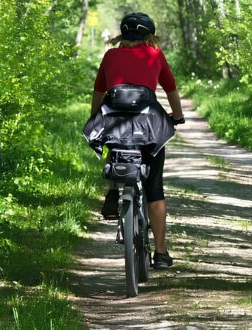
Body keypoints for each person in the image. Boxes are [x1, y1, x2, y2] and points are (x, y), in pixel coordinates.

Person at [90, 12, 185, 269]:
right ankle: (161, 253)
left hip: (115, 122)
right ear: (149, 36)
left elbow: (99, 92)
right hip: (148, 125)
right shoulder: (155, 54)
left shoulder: (110, 55)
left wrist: (94, 117)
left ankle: (112, 189)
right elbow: (171, 89)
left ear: (123, 35)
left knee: (115, 143)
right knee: (155, 188)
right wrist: (177, 117)